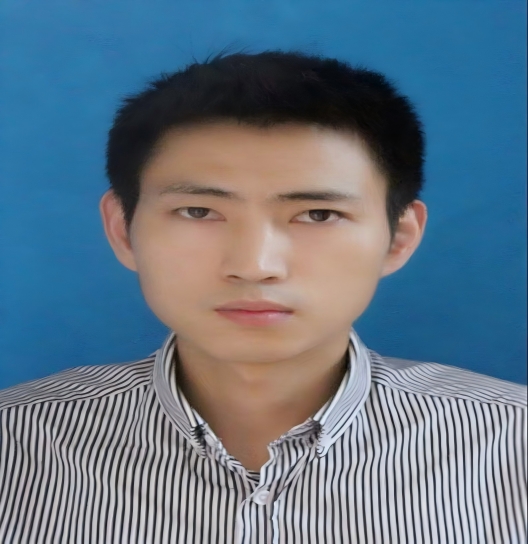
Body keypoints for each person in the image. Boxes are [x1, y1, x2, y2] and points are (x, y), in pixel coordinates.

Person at [0, 50, 525, 544]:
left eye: (318, 214)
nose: (255, 265)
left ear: (399, 238)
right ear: (122, 229)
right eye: (199, 212)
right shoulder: (16, 444)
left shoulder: (513, 443)